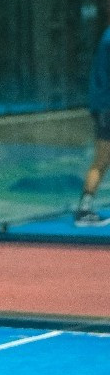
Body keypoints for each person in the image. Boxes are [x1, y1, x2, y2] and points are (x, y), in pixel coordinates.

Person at [75, 26, 110, 226]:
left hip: (102, 105)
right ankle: (84, 211)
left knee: (102, 159)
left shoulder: (106, 36)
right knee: (102, 159)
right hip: (106, 106)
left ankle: (84, 208)